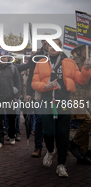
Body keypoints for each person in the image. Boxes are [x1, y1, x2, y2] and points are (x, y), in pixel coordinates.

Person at [32, 38, 91, 178]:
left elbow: (81, 80)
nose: (53, 48)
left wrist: (86, 68)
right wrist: (44, 86)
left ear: (60, 47)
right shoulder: (41, 63)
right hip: (47, 101)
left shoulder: (69, 62)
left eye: (56, 45)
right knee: (49, 132)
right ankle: (51, 150)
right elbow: (34, 83)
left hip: (64, 101)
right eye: (51, 45)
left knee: (63, 134)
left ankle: (61, 165)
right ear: (47, 47)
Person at [0, 50, 21, 149]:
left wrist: (16, 96)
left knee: (12, 118)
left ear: (8, 58)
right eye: (1, 56)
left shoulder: (13, 68)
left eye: (4, 57)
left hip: (10, 98)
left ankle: (12, 136)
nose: (2, 58)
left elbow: (18, 82)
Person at [69, 44, 91, 165]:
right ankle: (73, 144)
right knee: (87, 120)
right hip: (75, 97)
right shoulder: (75, 62)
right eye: (85, 48)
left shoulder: (88, 62)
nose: (87, 51)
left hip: (85, 98)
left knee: (85, 126)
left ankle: (82, 154)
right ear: (79, 50)